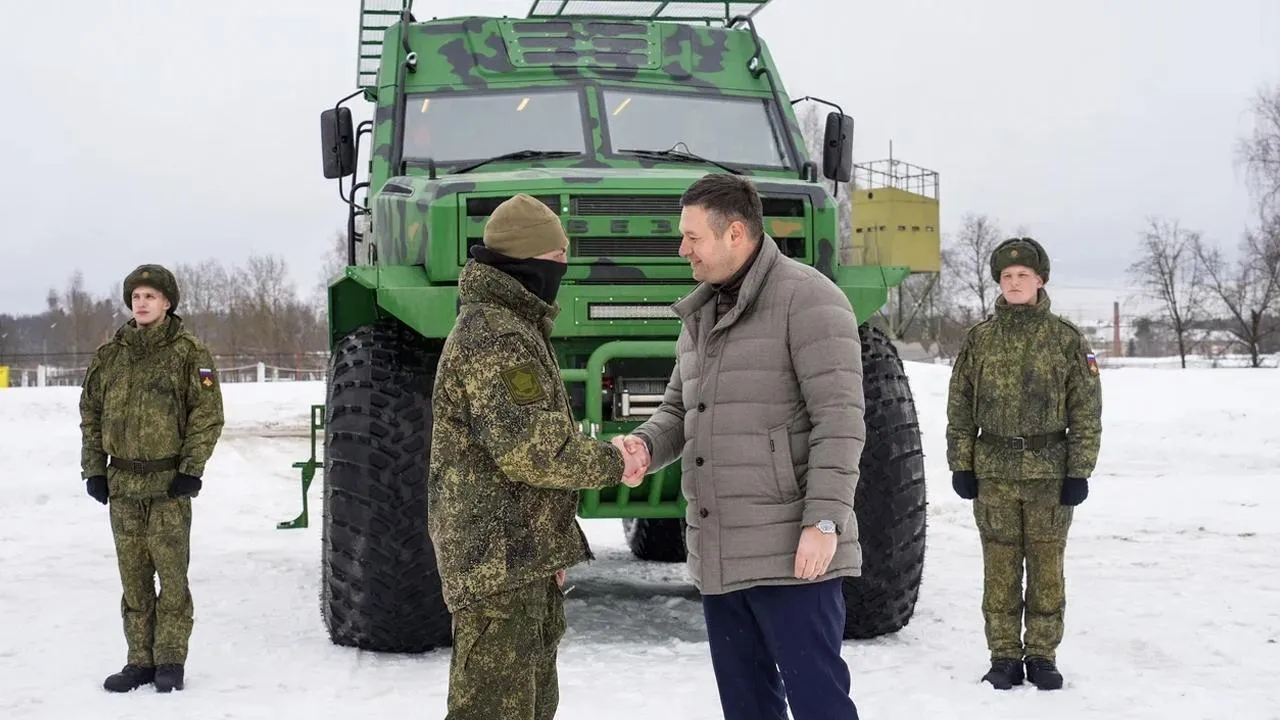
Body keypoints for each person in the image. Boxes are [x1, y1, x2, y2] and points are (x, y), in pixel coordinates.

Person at [616, 173, 867, 719]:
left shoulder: (810, 300)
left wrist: (824, 521)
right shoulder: (700, 313)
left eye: (691, 237)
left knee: (819, 704)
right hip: (720, 553)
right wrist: (641, 447)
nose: (682, 250)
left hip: (794, 555)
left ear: (735, 234)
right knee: (747, 709)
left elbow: (840, 422)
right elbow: (680, 411)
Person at [428, 193, 647, 720]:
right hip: (497, 566)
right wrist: (616, 463)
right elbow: (533, 452)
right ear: (527, 263)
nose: (562, 271)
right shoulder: (496, 336)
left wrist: (549, 549)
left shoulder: (515, 327)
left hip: (520, 559)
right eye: (556, 261)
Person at [944, 237, 1103, 691]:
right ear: (999, 282)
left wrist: (1079, 471)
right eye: (1007, 277)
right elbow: (959, 407)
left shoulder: (1066, 340)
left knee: (1047, 568)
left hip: (1050, 475)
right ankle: (1004, 657)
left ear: (1040, 281)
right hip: (993, 471)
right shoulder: (980, 340)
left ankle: (1043, 655)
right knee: (999, 567)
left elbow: (1086, 411)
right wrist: (962, 463)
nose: (1014, 283)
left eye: (1023, 276)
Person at [79, 264, 225, 694]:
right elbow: (91, 416)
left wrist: (190, 470)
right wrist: (94, 470)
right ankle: (139, 660)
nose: (141, 304)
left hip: (167, 487)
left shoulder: (189, 353)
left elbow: (207, 415)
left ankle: (171, 660)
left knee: (172, 579)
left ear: (167, 303)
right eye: (136, 297)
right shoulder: (111, 355)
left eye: (150, 297)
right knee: (134, 581)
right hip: (123, 485)